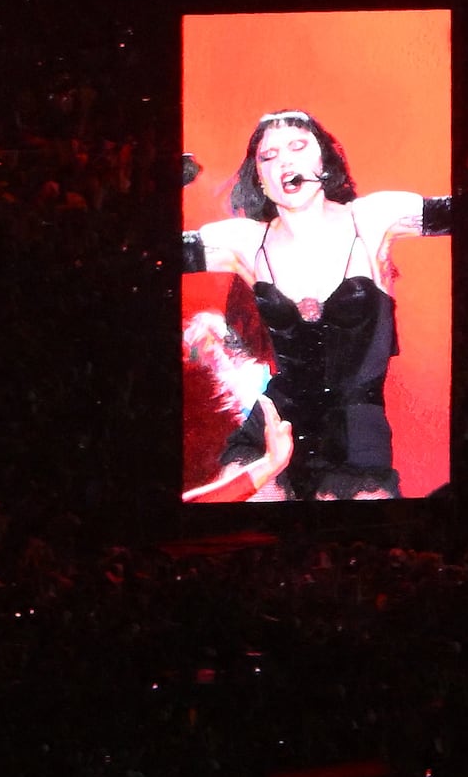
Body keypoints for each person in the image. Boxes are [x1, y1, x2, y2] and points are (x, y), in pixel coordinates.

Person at [180, 111, 448, 500]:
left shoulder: (371, 220)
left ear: (324, 160)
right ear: (260, 180)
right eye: (268, 157)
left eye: (298, 146)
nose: (284, 161)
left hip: (355, 437)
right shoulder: (245, 242)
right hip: (274, 425)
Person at [178, 304, 294, 503]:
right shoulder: (203, 392)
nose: (209, 347)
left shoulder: (259, 372)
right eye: (198, 347)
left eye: (211, 340)